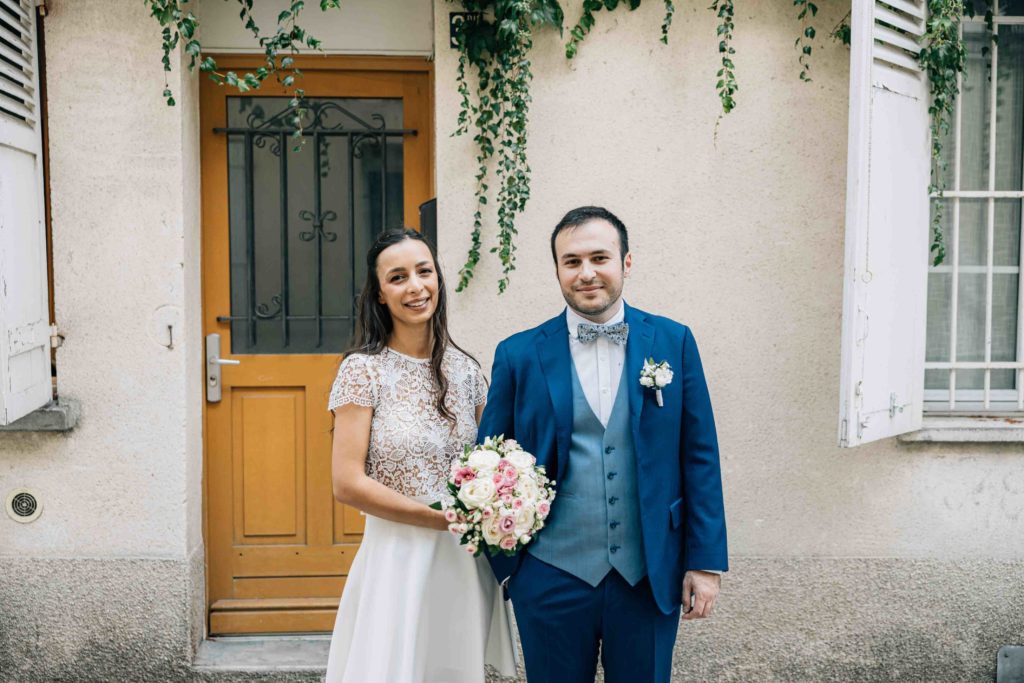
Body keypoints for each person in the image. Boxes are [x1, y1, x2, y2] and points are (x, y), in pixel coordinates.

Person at [478, 206, 729, 682]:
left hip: (649, 573)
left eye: (600, 258)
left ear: (626, 263)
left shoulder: (673, 341)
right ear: (556, 270)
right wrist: (509, 570)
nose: (587, 273)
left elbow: (700, 455)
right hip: (549, 574)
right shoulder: (517, 354)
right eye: (571, 261)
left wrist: (705, 562)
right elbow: (489, 460)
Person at [325, 228, 516, 683]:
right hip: (397, 560)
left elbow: (490, 462)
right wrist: (439, 519)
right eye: (398, 277)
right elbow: (346, 482)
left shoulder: (467, 370)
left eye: (424, 271)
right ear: (380, 294)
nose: (415, 286)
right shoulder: (362, 371)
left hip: (465, 562)